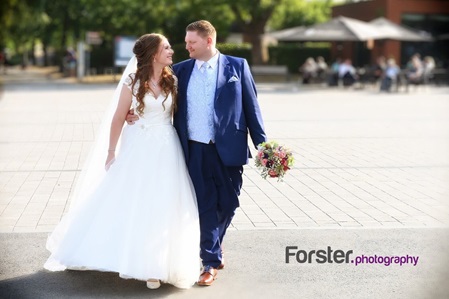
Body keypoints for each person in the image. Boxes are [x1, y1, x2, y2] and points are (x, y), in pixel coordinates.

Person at [44, 33, 200, 290]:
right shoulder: (132, 81)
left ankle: (162, 261)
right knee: (138, 200)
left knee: (165, 201)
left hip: (167, 148)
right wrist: (111, 151)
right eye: (166, 47)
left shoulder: (172, 79)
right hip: (139, 146)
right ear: (153, 53)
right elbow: (118, 118)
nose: (172, 50)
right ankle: (146, 265)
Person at [127, 20, 267, 286]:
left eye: (191, 42)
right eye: (186, 41)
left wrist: (264, 147)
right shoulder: (178, 71)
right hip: (193, 149)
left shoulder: (238, 66)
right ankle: (210, 261)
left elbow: (252, 108)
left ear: (208, 41)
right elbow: (153, 96)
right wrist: (134, 113)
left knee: (229, 202)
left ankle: (215, 244)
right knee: (204, 205)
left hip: (229, 148)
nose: (186, 46)